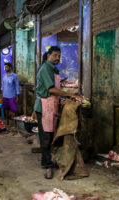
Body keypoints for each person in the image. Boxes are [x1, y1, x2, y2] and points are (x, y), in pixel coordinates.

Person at [33, 46, 81, 179]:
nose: (57, 58)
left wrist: (60, 99)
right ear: (48, 55)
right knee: (46, 137)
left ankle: (46, 161)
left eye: (59, 56)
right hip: (44, 106)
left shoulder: (52, 69)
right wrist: (69, 95)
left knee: (49, 134)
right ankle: (48, 166)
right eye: (55, 55)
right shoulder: (46, 68)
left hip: (50, 105)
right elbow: (51, 89)